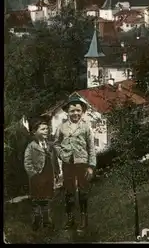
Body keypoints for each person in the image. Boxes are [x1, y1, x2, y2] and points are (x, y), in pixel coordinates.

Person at [53, 95, 96, 231]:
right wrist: (61, 154)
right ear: (67, 112)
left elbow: (91, 148)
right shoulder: (61, 128)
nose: (75, 113)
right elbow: (56, 144)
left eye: (78, 110)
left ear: (82, 112)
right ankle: (70, 219)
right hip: (68, 164)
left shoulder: (86, 127)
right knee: (69, 192)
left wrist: (90, 167)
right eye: (72, 111)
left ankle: (83, 220)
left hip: (82, 163)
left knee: (83, 192)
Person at [24, 117, 60, 231]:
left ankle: (46, 221)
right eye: (43, 129)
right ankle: (36, 220)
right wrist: (34, 175)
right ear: (35, 132)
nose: (46, 131)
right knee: (36, 200)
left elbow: (54, 160)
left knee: (46, 199)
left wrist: (56, 172)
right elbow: (27, 162)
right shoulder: (31, 146)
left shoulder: (49, 145)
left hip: (48, 177)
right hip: (37, 177)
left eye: (47, 129)